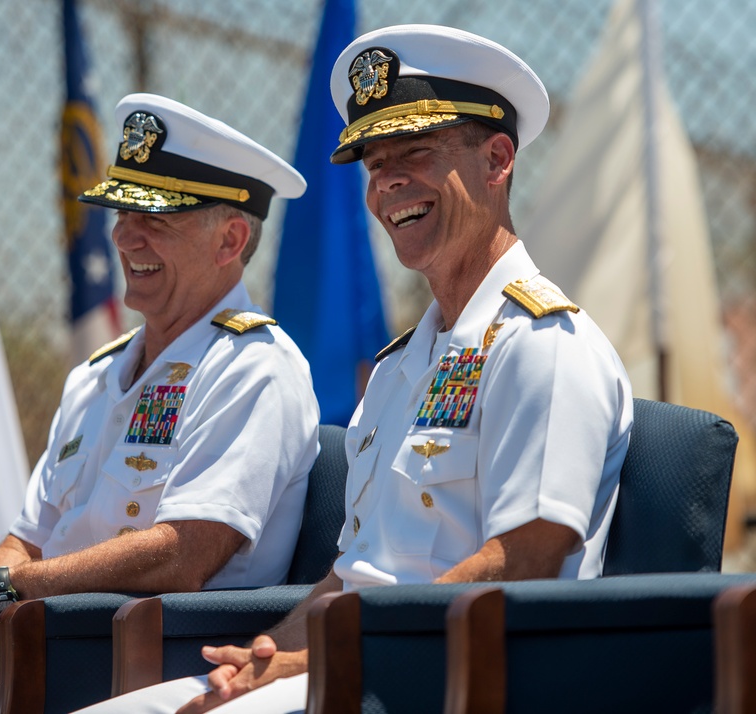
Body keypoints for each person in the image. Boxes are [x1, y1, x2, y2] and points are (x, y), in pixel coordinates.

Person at [80, 24, 633, 714]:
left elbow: (524, 557)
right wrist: (268, 657)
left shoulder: (545, 344)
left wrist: (326, 656)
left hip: (454, 679)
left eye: (416, 153)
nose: (389, 183)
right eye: (374, 165)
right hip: (358, 668)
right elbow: (354, 574)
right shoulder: (402, 370)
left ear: (497, 160)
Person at [0, 93, 319, 713]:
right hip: (36, 657)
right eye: (122, 212)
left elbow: (182, 557)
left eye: (156, 218)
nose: (126, 236)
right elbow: (28, 539)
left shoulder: (254, 367)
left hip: (156, 667)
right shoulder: (96, 376)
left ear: (230, 238)